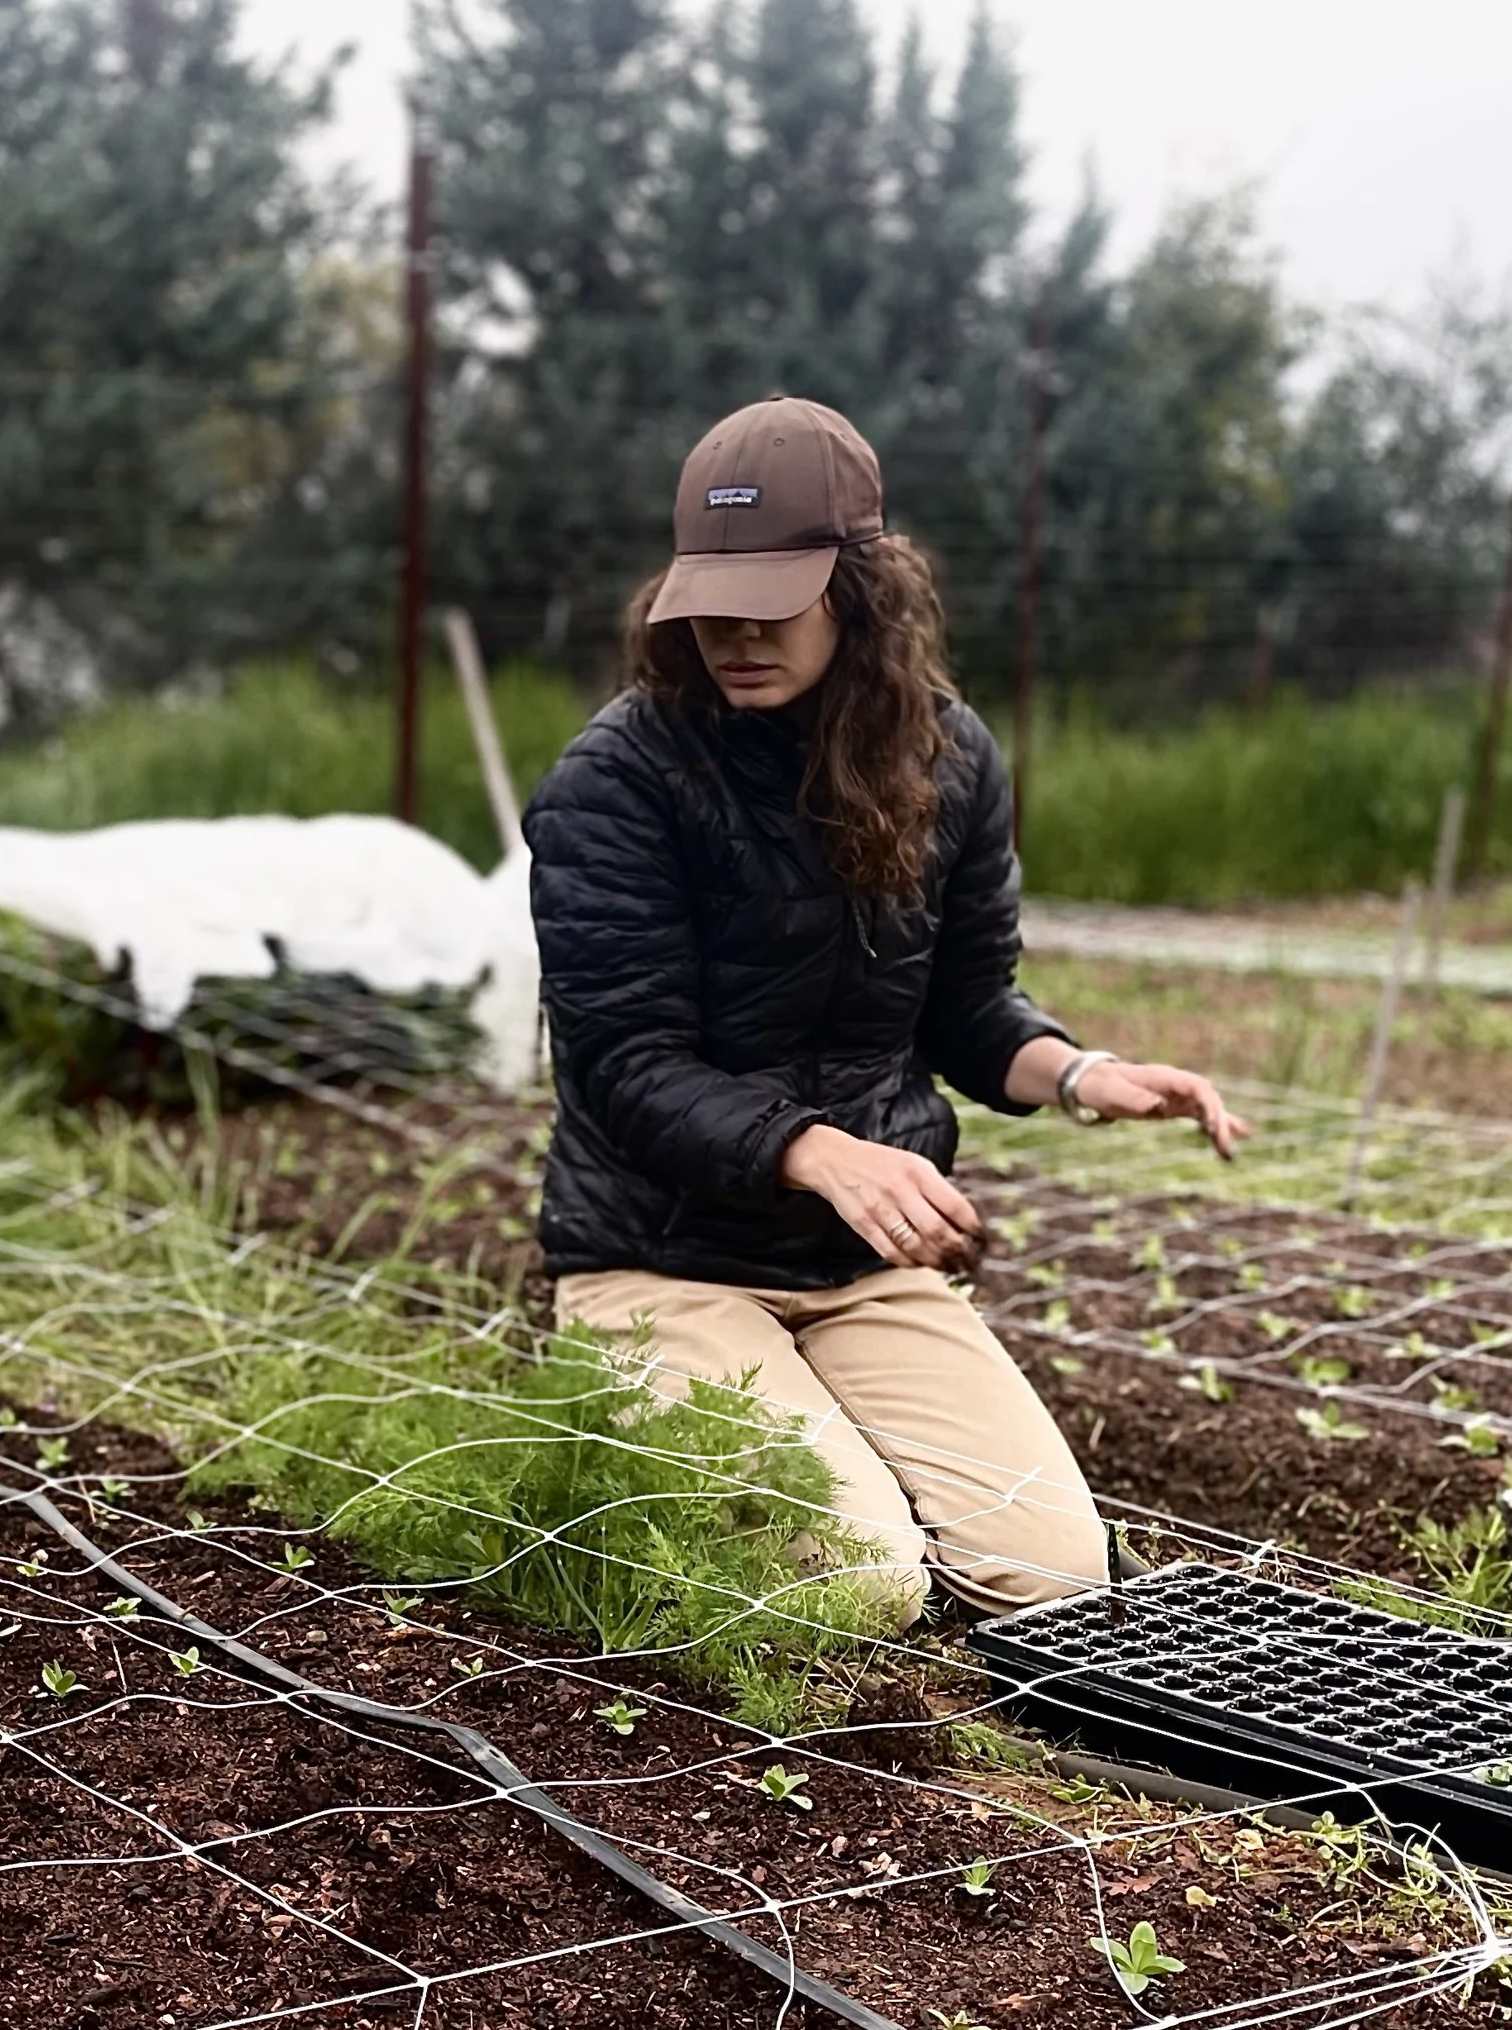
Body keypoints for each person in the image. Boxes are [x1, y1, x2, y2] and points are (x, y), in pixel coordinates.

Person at [523, 393, 1247, 1627]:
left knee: (1052, 1581)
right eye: (709, 597)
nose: (732, 631)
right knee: (852, 1585)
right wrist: (813, 1150)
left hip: (860, 1265)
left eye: (775, 595)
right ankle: (623, 1425)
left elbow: (966, 1004)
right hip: (660, 1260)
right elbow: (625, 1064)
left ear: (860, 590)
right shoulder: (619, 782)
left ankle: (817, 1447)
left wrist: (1076, 1073)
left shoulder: (946, 759)